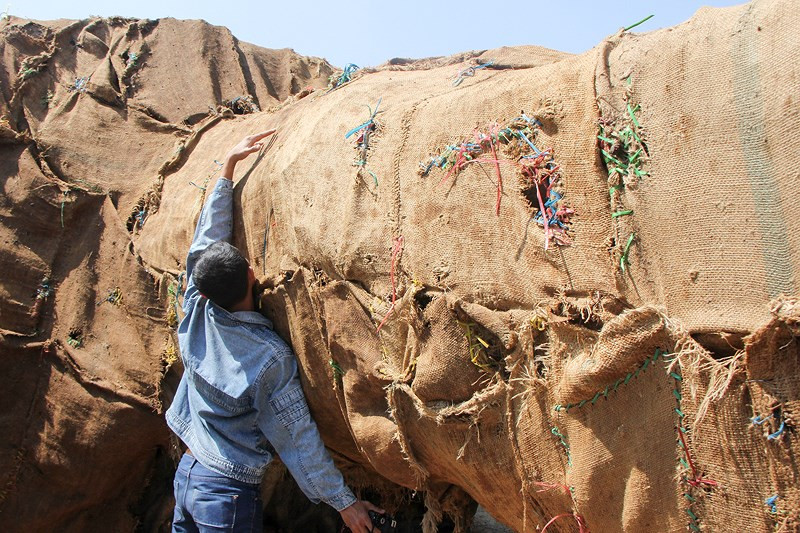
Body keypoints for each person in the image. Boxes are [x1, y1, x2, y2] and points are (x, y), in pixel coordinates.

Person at [166, 131, 382, 532]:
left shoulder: (195, 304)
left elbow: (205, 241)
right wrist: (345, 504)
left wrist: (228, 167)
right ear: (252, 275)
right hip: (224, 497)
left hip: (188, 475)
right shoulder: (269, 358)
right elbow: (297, 438)